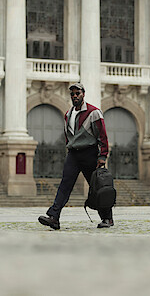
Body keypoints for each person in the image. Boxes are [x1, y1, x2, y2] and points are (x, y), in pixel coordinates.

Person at [38, 83, 112, 229]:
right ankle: (54, 217)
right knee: (65, 185)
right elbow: (68, 135)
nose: (75, 96)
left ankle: (107, 218)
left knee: (96, 187)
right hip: (73, 154)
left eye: (77, 93)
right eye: (72, 94)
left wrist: (102, 155)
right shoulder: (68, 114)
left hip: (89, 153)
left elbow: (102, 135)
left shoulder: (94, 112)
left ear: (83, 94)